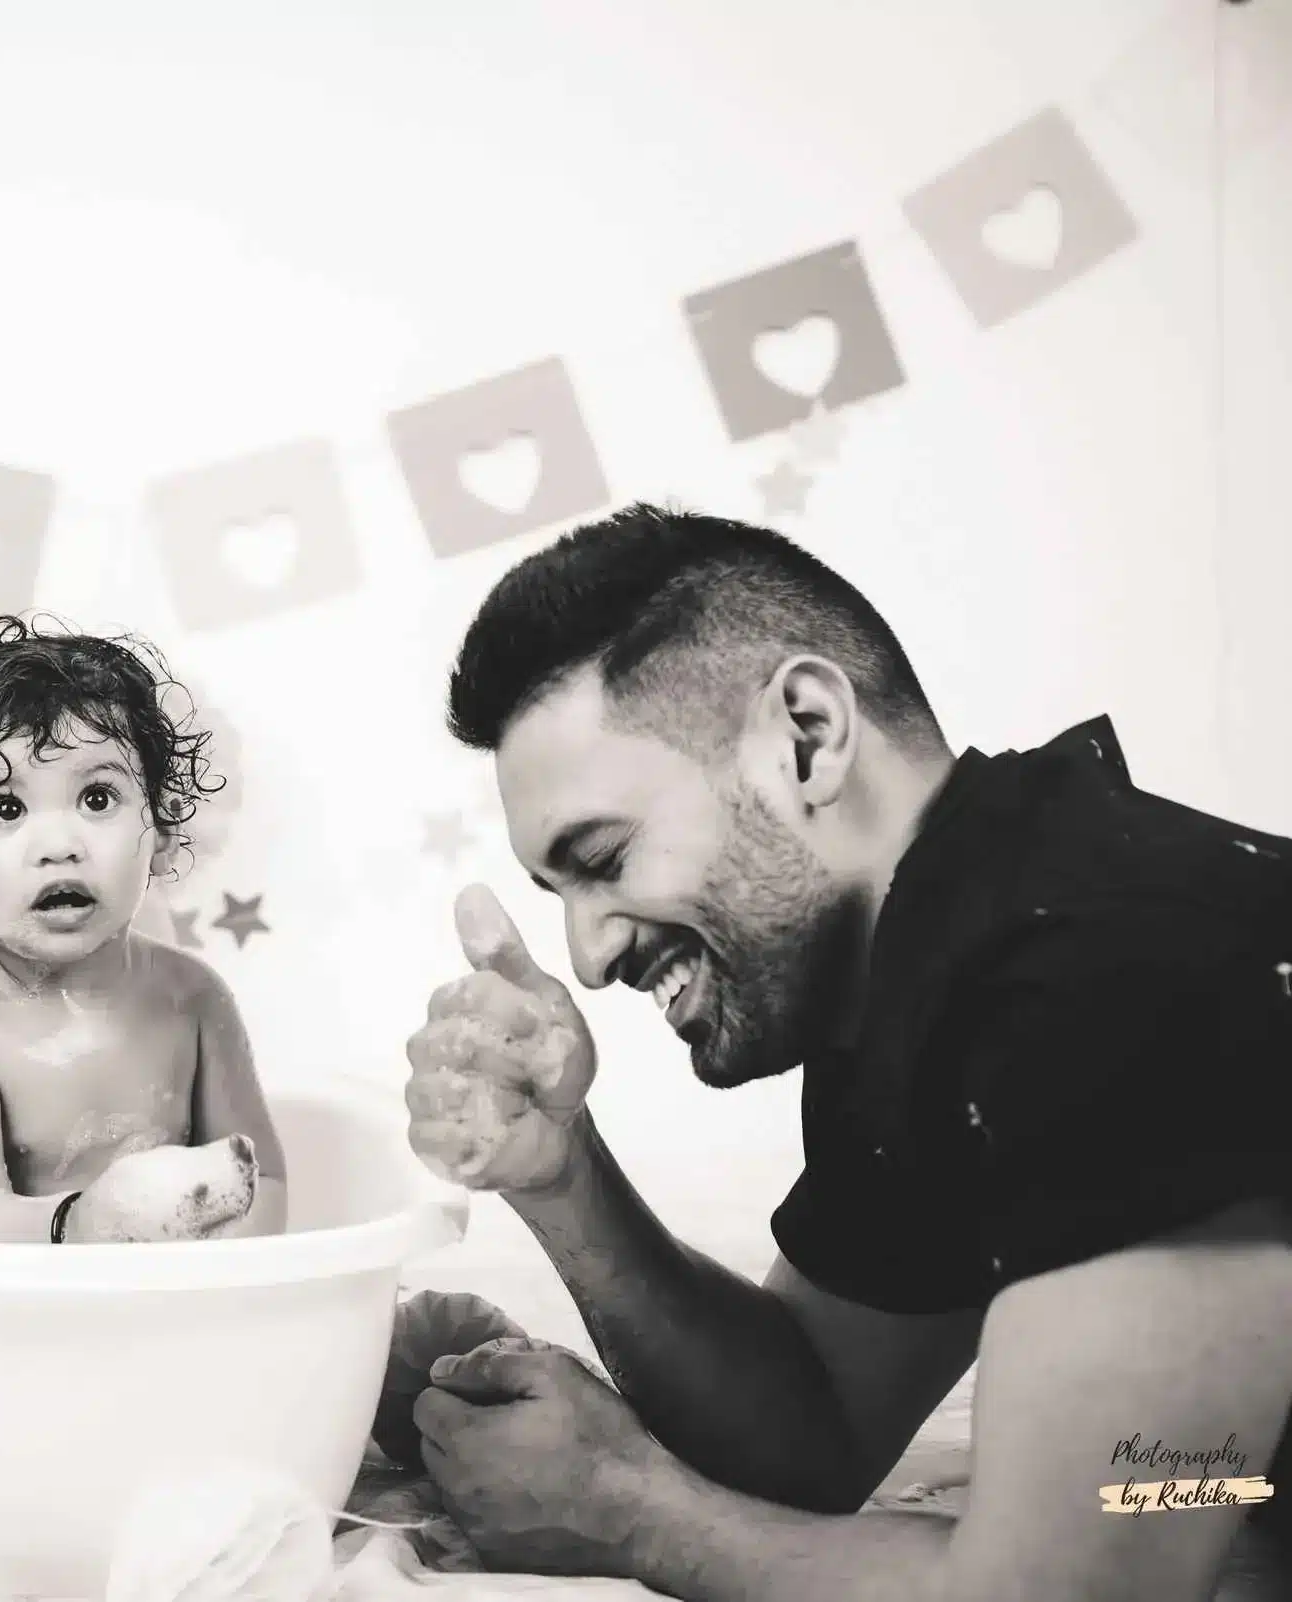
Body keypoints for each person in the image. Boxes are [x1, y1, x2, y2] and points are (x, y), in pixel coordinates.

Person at [385, 505, 1292, 1600]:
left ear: (805, 736)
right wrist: (560, 1172)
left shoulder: (1110, 971)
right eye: (561, 891)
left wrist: (626, 1512)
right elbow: (814, 1428)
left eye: (605, 856)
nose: (588, 956)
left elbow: (1074, 1589)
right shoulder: (936, 961)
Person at [0, 616, 288, 1244]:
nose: (60, 846)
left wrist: (220, 1255)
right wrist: (83, 1224)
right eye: (7, 807)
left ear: (162, 833)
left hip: (156, 1297)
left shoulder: (192, 998)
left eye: (98, 799)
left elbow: (264, 1180)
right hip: (2, 1292)